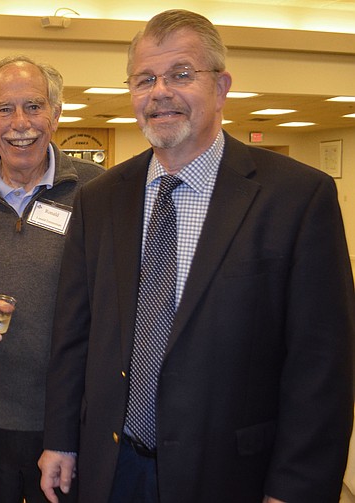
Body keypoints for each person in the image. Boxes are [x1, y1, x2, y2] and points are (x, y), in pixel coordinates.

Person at [39, 9, 355, 503]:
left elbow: (321, 367)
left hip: (231, 475)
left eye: (181, 74)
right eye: (144, 79)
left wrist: (296, 489)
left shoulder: (297, 198)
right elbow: (73, 334)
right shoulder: (100, 198)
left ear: (222, 85)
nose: (160, 92)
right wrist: (60, 438)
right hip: (112, 465)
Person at [0, 55, 103, 503]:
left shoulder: (98, 193)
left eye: (34, 106)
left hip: (68, 418)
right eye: (4, 109)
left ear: (57, 113)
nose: (20, 123)